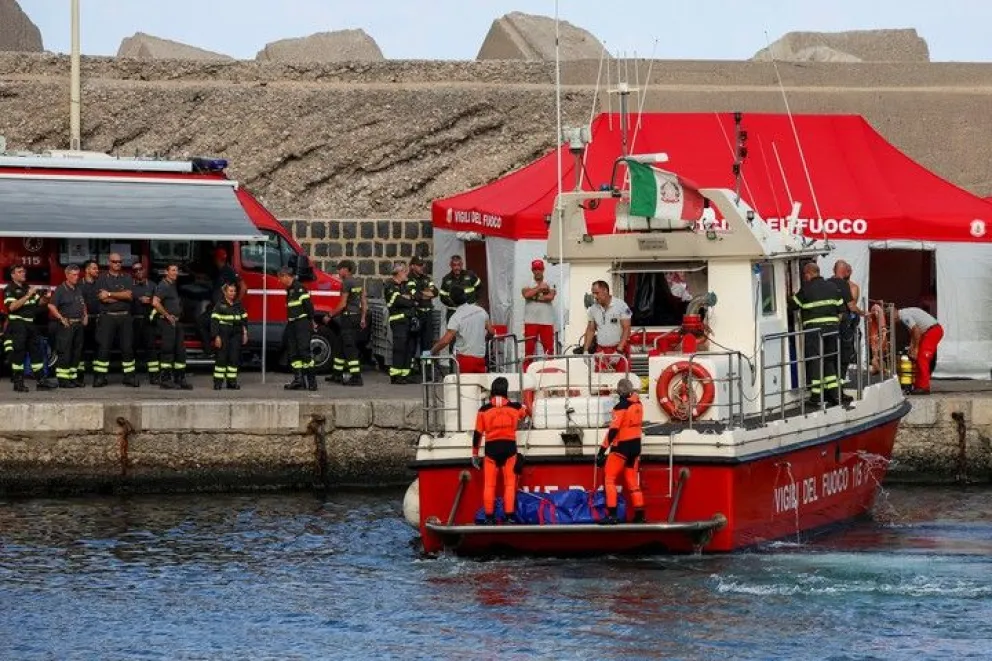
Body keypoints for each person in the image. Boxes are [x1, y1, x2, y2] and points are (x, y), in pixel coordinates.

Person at [472, 376, 529, 525]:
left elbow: (477, 434)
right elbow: (526, 411)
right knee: (509, 485)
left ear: (492, 391)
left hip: (491, 451)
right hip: (509, 449)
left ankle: (489, 517)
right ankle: (509, 516)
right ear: (506, 391)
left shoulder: (483, 410)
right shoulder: (515, 407)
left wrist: (474, 454)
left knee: (489, 485)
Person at [787, 262, 847, 406]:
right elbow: (841, 310)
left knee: (815, 360)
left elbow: (793, 305)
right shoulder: (833, 287)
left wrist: (791, 296)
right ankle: (835, 394)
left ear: (808, 274)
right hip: (832, 330)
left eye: (804, 275)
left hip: (814, 331)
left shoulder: (806, 289)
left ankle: (816, 396)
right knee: (829, 360)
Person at [596, 378, 646, 525]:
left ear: (619, 391)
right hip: (635, 448)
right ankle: (639, 515)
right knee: (632, 481)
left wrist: (602, 451)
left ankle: (612, 515)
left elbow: (613, 430)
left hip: (621, 448)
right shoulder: (639, 404)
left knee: (609, 479)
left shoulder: (621, 407)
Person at [3, 265, 56, 392]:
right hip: (17, 324)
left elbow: (40, 303)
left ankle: (41, 381)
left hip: (30, 325)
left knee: (36, 353)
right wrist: (28, 295)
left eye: (24, 271)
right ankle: (18, 382)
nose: (23, 273)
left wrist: (46, 297)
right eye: (19, 272)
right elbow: (12, 307)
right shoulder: (9, 289)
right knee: (19, 354)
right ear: (13, 275)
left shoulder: (28, 287)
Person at [93, 252, 136, 387]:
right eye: (115, 261)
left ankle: (129, 377)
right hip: (108, 317)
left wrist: (110, 294)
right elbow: (101, 297)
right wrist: (120, 296)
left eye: (119, 262)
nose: (118, 264)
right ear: (109, 263)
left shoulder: (127, 277)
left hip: (125, 316)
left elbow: (129, 296)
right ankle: (100, 377)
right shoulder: (101, 278)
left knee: (127, 347)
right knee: (104, 347)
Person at [431, 285, 494, 374]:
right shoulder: (480, 310)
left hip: (465, 359)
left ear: (452, 301)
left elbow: (445, 341)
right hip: (481, 358)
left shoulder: (456, 317)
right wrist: (486, 338)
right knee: (479, 386)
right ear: (465, 296)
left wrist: (432, 351)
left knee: (465, 386)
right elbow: (491, 331)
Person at [324, 260, 366, 386]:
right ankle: (337, 374)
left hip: (348, 318)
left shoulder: (346, 283)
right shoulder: (358, 282)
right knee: (339, 346)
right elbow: (364, 302)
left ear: (345, 269)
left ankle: (356, 377)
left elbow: (342, 304)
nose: (338, 272)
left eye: (339, 269)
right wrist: (363, 318)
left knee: (349, 348)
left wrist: (329, 315)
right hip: (356, 317)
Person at [152, 263, 193, 390]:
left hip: (177, 322)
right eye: (173, 270)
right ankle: (165, 379)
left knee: (180, 351)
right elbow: (155, 302)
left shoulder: (172, 285)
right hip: (168, 322)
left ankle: (180, 378)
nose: (176, 273)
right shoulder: (163, 285)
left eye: (177, 270)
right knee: (168, 351)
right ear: (166, 272)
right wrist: (167, 315)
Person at [198, 247, 244, 356]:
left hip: (222, 310)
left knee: (200, 322)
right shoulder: (220, 271)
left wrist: (235, 304)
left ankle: (209, 351)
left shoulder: (229, 271)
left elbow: (243, 287)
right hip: (216, 307)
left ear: (217, 259)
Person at [577, 280, 632, 372]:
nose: (594, 296)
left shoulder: (622, 305)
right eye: (593, 293)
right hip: (601, 351)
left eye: (597, 293)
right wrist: (585, 351)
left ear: (605, 291)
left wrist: (619, 351)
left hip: (619, 349)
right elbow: (590, 329)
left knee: (621, 379)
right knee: (601, 381)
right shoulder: (593, 309)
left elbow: (627, 328)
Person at [278, 266, 317, 391]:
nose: (279, 281)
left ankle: (312, 382)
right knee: (293, 352)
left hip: (302, 323)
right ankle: (299, 380)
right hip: (292, 324)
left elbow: (308, 306)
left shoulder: (299, 288)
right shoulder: (289, 290)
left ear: (285, 276)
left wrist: (312, 321)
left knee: (304, 351)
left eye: (280, 278)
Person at [48, 265, 87, 388]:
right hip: (67, 325)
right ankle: (63, 380)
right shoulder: (60, 289)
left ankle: (73, 378)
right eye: (74, 275)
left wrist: (85, 315)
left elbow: (82, 303)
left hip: (78, 324)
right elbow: (51, 306)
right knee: (65, 352)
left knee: (76, 352)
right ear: (67, 275)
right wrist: (60, 318)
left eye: (78, 274)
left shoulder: (78, 289)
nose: (77, 277)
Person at [827, 260, 866, 383]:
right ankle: (840, 380)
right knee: (844, 353)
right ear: (845, 271)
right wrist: (864, 313)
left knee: (830, 354)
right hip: (843, 323)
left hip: (830, 323)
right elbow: (852, 306)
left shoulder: (826, 283)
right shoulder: (845, 285)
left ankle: (833, 381)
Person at [210, 282, 248, 390]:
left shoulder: (238, 304)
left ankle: (231, 382)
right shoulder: (219, 305)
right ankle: (218, 383)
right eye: (231, 291)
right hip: (223, 334)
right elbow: (214, 321)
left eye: (234, 291)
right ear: (225, 292)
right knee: (221, 358)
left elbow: (244, 320)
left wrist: (245, 333)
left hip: (236, 334)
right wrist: (216, 336)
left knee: (233, 358)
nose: (233, 293)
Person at [384, 261, 416, 384]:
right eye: (405, 272)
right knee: (399, 348)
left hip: (408, 321)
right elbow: (398, 301)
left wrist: (409, 298)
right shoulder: (389, 285)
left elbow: (414, 297)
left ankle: (405, 375)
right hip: (398, 322)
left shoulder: (404, 285)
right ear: (399, 273)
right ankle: (396, 376)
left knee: (409, 348)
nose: (406, 274)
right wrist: (409, 300)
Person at [898, 306, 943, 395]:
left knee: (922, 358)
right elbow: (912, 333)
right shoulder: (904, 313)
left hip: (932, 331)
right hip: (929, 331)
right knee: (918, 358)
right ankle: (918, 385)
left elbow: (916, 332)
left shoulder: (903, 315)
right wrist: (912, 347)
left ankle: (924, 387)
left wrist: (915, 348)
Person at [521, 259, 556, 370]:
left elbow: (550, 297)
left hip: (546, 321)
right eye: (535, 269)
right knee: (529, 350)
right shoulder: (527, 281)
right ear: (532, 270)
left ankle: (549, 372)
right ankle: (527, 373)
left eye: (539, 269)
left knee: (549, 350)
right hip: (530, 320)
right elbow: (526, 295)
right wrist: (540, 288)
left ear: (543, 270)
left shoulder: (550, 280)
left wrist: (535, 295)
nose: (537, 271)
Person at [130, 262, 158, 385]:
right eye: (135, 270)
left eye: (140, 269)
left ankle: (154, 376)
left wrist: (150, 300)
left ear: (144, 270)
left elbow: (160, 301)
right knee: (131, 349)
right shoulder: (130, 286)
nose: (138, 272)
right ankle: (131, 376)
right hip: (133, 321)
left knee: (151, 349)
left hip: (148, 321)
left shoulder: (152, 285)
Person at [407, 256, 439, 364]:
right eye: (419, 265)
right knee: (412, 343)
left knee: (427, 343)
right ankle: (411, 368)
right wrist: (425, 293)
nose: (422, 267)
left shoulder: (426, 278)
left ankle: (426, 368)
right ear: (412, 266)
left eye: (422, 265)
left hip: (427, 314)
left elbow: (435, 292)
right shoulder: (409, 279)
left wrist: (421, 293)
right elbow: (415, 296)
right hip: (416, 314)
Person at [78, 259, 101, 386]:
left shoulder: (100, 284)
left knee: (98, 348)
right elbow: (79, 302)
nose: (97, 270)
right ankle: (79, 377)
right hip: (84, 320)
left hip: (98, 320)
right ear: (87, 270)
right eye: (94, 268)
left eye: (97, 268)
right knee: (80, 348)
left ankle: (98, 377)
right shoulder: (79, 285)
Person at [439, 255, 482, 320]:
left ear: (462, 264)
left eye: (459, 265)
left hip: (470, 310)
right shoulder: (446, 279)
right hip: (453, 312)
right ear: (450, 265)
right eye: (454, 265)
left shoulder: (470, 275)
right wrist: (454, 303)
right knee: (453, 330)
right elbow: (442, 296)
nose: (457, 267)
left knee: (470, 329)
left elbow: (480, 287)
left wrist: (473, 300)